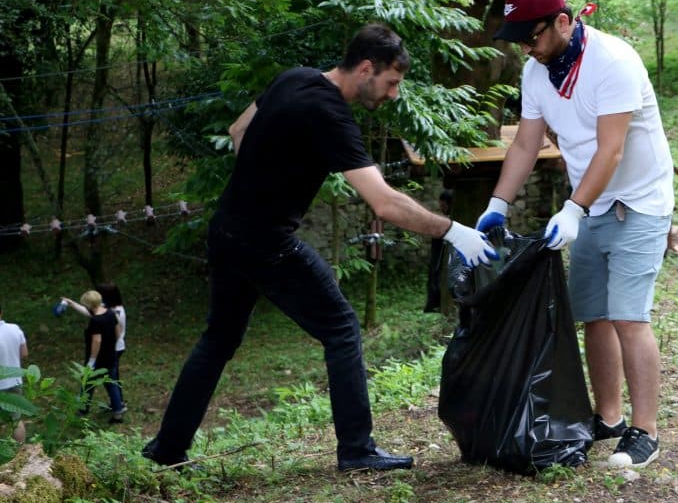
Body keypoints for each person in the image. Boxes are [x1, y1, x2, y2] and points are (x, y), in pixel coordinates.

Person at [141, 23, 496, 473]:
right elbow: (385, 203)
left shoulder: (295, 77)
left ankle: (167, 448)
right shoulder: (330, 115)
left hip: (227, 230)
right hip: (267, 242)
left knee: (218, 339)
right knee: (342, 328)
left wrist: (265, 175)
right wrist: (453, 231)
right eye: (391, 82)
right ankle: (356, 449)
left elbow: (238, 130)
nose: (392, 95)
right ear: (366, 68)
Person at [476, 0, 674, 468]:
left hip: (638, 201)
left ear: (563, 22)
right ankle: (607, 418)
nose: (525, 46)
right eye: (519, 37)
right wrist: (498, 202)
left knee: (629, 317)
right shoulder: (536, 71)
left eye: (532, 35)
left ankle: (645, 430)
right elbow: (526, 143)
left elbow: (612, 149)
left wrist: (573, 209)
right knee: (594, 316)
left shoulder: (613, 62)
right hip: (590, 204)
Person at [62, 290, 125, 422]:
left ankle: (83, 409)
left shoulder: (96, 321)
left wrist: (91, 361)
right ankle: (118, 412)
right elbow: (118, 330)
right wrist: (71, 303)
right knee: (112, 384)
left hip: (99, 359)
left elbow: (97, 341)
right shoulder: (110, 313)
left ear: (89, 304)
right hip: (111, 355)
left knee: (87, 384)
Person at [0, 305, 28, 442]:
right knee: (16, 419)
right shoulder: (14, 328)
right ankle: (21, 453)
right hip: (15, 380)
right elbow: (24, 353)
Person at [424, 189, 454, 313]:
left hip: (445, 257)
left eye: (443, 206)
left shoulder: (451, 221)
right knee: (434, 275)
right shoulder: (443, 220)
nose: (441, 208)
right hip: (438, 255)